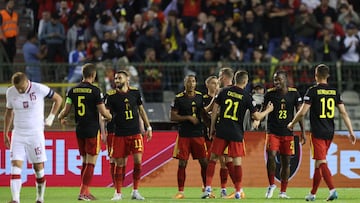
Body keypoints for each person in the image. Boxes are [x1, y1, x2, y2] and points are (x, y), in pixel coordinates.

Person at [288, 64, 356, 201]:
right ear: (328, 76)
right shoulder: (334, 91)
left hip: (318, 131)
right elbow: (343, 112)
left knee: (321, 161)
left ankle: (332, 190)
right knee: (318, 164)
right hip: (330, 131)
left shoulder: (312, 91)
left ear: (316, 75)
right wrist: (351, 131)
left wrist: (292, 123)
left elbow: (303, 112)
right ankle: (312, 194)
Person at [202, 70, 274, 199]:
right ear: (245, 82)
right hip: (236, 132)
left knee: (213, 159)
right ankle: (238, 190)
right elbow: (256, 116)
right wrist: (268, 110)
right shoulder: (246, 96)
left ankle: (207, 188)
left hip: (222, 130)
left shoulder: (223, 92)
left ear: (235, 79)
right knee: (236, 162)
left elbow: (214, 111)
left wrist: (211, 128)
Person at [3, 72, 63, 203]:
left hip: (35, 134)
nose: (19, 90)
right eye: (17, 88)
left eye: (21, 87)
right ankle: (15, 199)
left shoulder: (39, 88)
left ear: (27, 82)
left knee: (38, 168)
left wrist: (51, 117)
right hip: (18, 133)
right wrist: (5, 133)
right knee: (15, 165)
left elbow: (58, 99)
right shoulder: (10, 92)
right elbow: (8, 113)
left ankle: (40, 198)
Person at [57, 63, 112, 201]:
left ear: (83, 74)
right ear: (93, 75)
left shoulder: (72, 91)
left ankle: (86, 191)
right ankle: (82, 192)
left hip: (80, 129)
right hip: (92, 129)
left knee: (85, 161)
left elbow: (65, 110)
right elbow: (102, 111)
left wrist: (60, 118)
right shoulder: (95, 91)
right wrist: (111, 116)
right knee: (91, 162)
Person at [104, 70, 152, 201]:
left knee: (138, 162)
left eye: (119, 78)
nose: (117, 80)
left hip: (135, 132)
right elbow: (105, 113)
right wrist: (105, 120)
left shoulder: (135, 93)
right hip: (119, 134)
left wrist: (148, 127)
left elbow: (141, 110)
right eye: (115, 78)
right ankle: (118, 192)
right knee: (120, 163)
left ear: (127, 79)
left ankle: (135, 191)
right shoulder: (111, 95)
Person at [262, 70, 306, 199]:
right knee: (271, 156)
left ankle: (283, 192)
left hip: (288, 133)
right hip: (273, 131)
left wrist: (302, 131)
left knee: (286, 162)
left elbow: (300, 113)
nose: (276, 82)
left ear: (286, 80)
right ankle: (271, 185)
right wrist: (258, 119)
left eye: (279, 79)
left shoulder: (294, 93)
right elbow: (263, 110)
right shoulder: (269, 94)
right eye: (275, 79)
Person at [171, 75, 208, 199]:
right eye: (188, 81)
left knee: (204, 162)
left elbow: (203, 113)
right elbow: (172, 117)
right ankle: (180, 192)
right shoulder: (179, 98)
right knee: (182, 163)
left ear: (196, 83)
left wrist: (210, 127)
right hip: (184, 135)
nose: (191, 84)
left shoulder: (200, 97)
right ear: (184, 83)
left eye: (193, 81)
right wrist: (188, 118)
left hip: (198, 134)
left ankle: (206, 189)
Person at [0, 0, 18, 79]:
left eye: (13, 3)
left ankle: (9, 76)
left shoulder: (15, 14)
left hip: (13, 38)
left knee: (11, 57)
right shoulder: (1, 14)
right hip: (4, 39)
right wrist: (3, 37)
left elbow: (17, 25)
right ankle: (4, 76)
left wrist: (16, 34)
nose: (12, 4)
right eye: (10, 3)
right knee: (4, 58)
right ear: (6, 4)